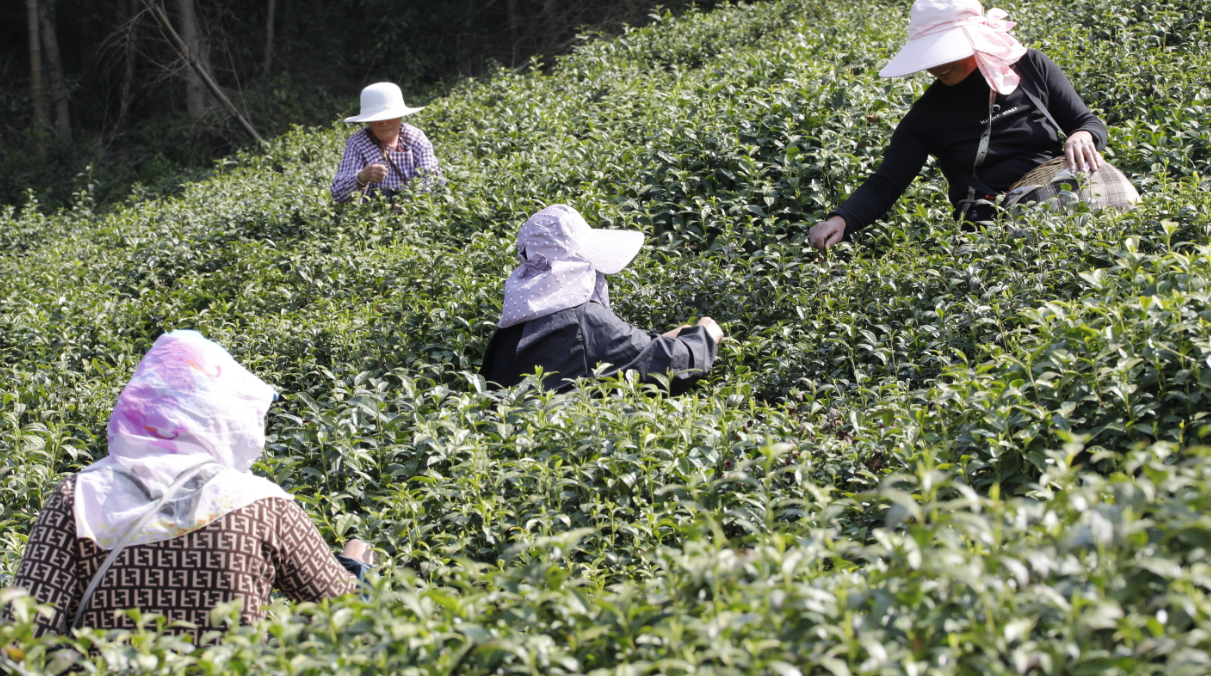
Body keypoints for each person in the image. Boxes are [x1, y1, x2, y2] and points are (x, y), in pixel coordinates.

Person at [11, 330, 374, 642]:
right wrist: (355, 564)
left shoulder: (78, 498)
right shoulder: (261, 506)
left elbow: (20, 636)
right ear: (221, 414)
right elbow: (348, 622)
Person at [809, 0, 1132, 251]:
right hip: (993, 222)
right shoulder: (927, 116)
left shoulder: (1031, 67)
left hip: (1062, 193)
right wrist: (841, 219)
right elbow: (886, 184)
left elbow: (1087, 122)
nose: (935, 66)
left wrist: (1081, 135)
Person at [480, 204, 724, 394]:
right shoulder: (582, 319)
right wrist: (704, 336)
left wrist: (665, 339)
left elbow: (620, 354)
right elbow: (669, 365)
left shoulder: (511, 331)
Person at [330, 82, 441, 203]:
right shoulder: (357, 143)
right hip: (373, 217)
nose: (384, 122)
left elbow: (431, 178)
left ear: (400, 117)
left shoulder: (415, 138)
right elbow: (338, 194)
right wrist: (362, 177)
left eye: (390, 117)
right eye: (377, 118)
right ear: (368, 121)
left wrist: (411, 202)